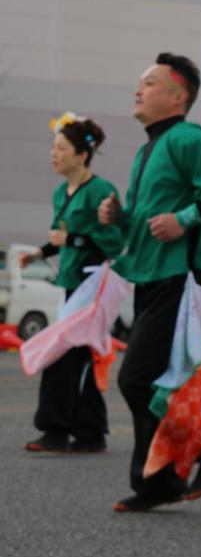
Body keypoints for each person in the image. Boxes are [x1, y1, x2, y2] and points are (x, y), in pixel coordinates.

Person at [99, 53, 201, 512]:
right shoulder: (148, 150)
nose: (138, 89)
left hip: (182, 274)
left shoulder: (188, 137)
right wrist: (118, 218)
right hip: (153, 274)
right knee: (163, 380)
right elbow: (144, 226)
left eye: (148, 82)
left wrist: (185, 219)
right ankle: (158, 481)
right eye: (139, 82)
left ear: (178, 95)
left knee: (138, 377)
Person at [20, 114, 124, 454]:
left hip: (94, 285)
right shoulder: (60, 192)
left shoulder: (101, 190)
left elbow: (112, 241)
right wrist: (40, 253)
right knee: (81, 355)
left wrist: (72, 240)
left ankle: (56, 430)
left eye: (61, 148)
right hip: (72, 285)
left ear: (82, 155)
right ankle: (90, 433)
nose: (54, 154)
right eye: (53, 147)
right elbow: (63, 236)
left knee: (61, 353)